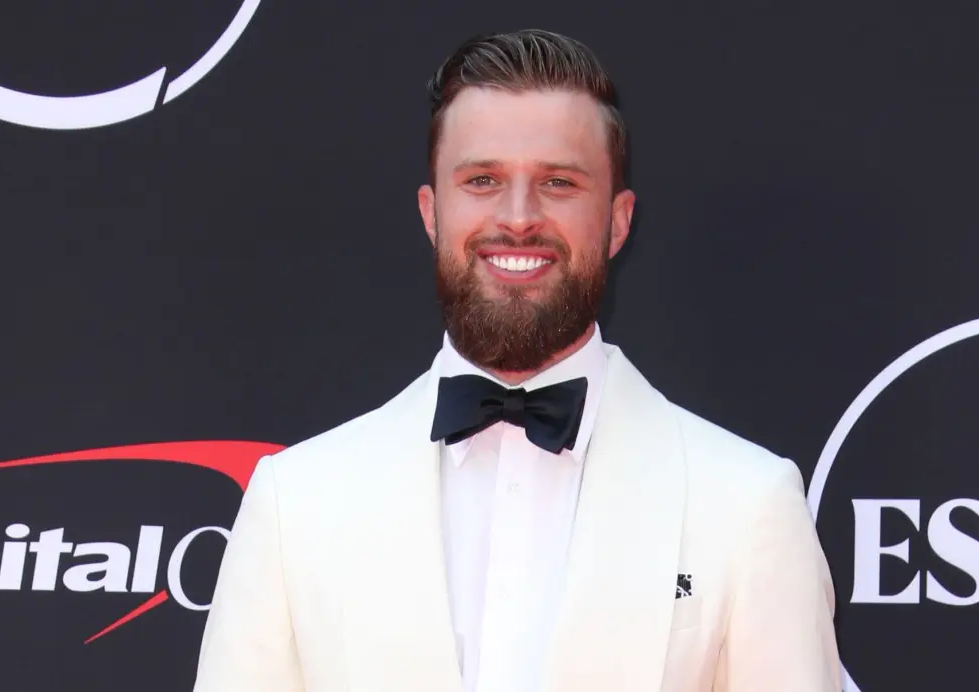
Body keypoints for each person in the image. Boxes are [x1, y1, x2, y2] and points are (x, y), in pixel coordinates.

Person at [192, 29, 841, 692]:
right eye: (482, 180)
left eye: (559, 182)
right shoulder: (294, 504)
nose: (519, 217)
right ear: (431, 212)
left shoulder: (747, 504)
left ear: (618, 222)